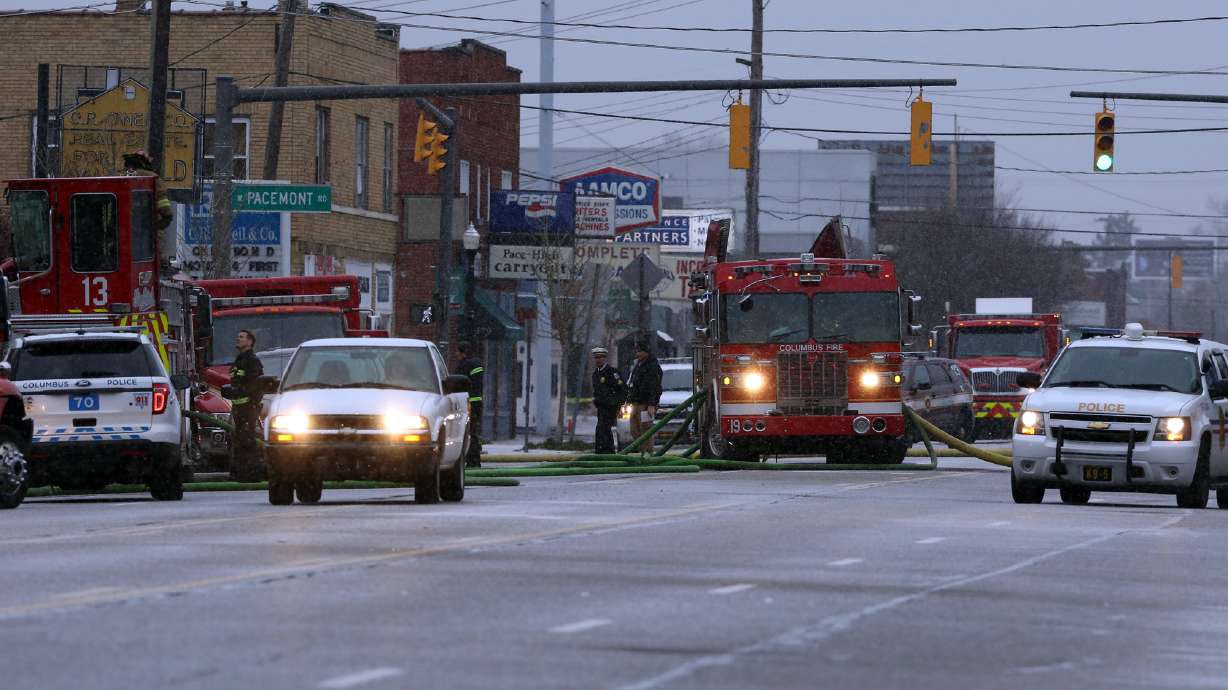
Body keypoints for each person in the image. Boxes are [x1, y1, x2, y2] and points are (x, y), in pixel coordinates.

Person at [223, 329, 264, 481]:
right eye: (237, 336)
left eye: (241, 337)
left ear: (250, 342)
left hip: (247, 409)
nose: (237, 339)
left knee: (248, 441)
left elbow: (257, 385)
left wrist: (251, 403)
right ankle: (240, 473)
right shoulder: (240, 360)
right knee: (238, 441)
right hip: (238, 408)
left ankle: (250, 474)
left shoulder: (252, 361)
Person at [625, 339, 663, 453]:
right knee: (634, 430)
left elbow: (654, 386)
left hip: (646, 404)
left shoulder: (652, 366)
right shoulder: (638, 365)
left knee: (646, 430)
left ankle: (648, 453)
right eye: (636, 351)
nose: (637, 354)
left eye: (639, 351)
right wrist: (629, 399)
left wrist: (652, 404)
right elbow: (633, 383)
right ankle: (642, 451)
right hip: (635, 402)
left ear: (646, 352)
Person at [123, 150, 174, 231]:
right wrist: (167, 217)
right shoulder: (152, 178)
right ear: (144, 162)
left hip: (121, 227)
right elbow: (162, 199)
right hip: (143, 229)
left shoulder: (119, 176)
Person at [590, 346, 626, 454]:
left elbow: (622, 389)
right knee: (603, 429)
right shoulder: (596, 374)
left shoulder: (612, 372)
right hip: (601, 407)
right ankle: (605, 452)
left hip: (611, 407)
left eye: (601, 357)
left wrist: (615, 402)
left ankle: (605, 452)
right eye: (596, 357)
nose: (598, 360)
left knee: (603, 428)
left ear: (605, 358)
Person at [455, 342, 484, 468]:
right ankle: (474, 459)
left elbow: (458, 384)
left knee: (468, 433)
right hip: (476, 403)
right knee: (473, 432)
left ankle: (472, 460)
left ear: (462, 352)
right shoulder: (477, 364)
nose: (456, 355)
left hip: (467, 404)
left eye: (457, 352)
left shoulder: (465, 366)